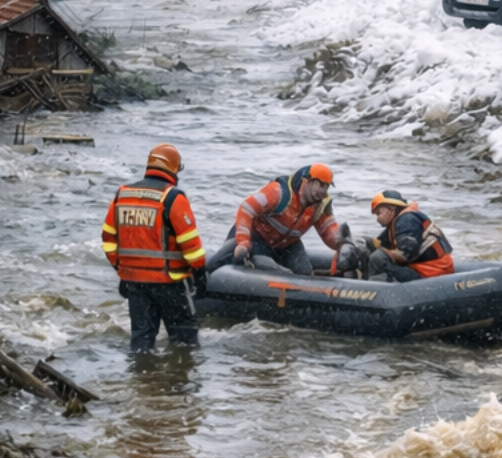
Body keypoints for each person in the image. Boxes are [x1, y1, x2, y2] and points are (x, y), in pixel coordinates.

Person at [101, 142, 207, 354]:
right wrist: (200, 273)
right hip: (170, 282)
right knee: (184, 342)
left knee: (141, 342)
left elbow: (108, 240)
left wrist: (122, 271)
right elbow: (191, 246)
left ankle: (141, 382)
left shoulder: (122, 195)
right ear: (174, 168)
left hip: (135, 282)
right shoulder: (173, 198)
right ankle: (177, 383)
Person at [206, 164, 347, 277]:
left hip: (287, 244)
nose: (323, 191)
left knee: (304, 272)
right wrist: (243, 241)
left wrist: (343, 242)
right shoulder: (279, 193)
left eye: (327, 187)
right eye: (321, 185)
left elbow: (328, 232)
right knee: (269, 269)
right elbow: (246, 208)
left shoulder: (321, 206)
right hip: (255, 237)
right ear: (307, 182)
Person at [338, 191, 454, 281]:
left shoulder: (406, 220)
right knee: (374, 253)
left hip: (430, 274)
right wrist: (359, 242)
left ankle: (369, 289)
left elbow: (406, 254)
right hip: (425, 270)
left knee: (378, 257)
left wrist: (384, 254)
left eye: (379, 213)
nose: (377, 218)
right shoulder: (396, 223)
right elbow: (378, 244)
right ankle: (366, 282)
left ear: (391, 209)